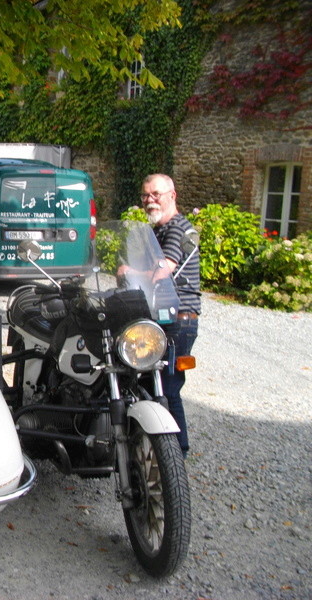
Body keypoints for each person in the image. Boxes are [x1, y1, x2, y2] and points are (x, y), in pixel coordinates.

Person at [141, 173, 201, 458]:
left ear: (172, 196)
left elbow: (164, 269)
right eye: (145, 196)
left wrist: (131, 273)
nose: (150, 200)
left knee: (168, 385)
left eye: (156, 194)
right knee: (146, 380)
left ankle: (178, 452)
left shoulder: (177, 228)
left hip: (180, 320)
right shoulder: (155, 231)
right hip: (161, 316)